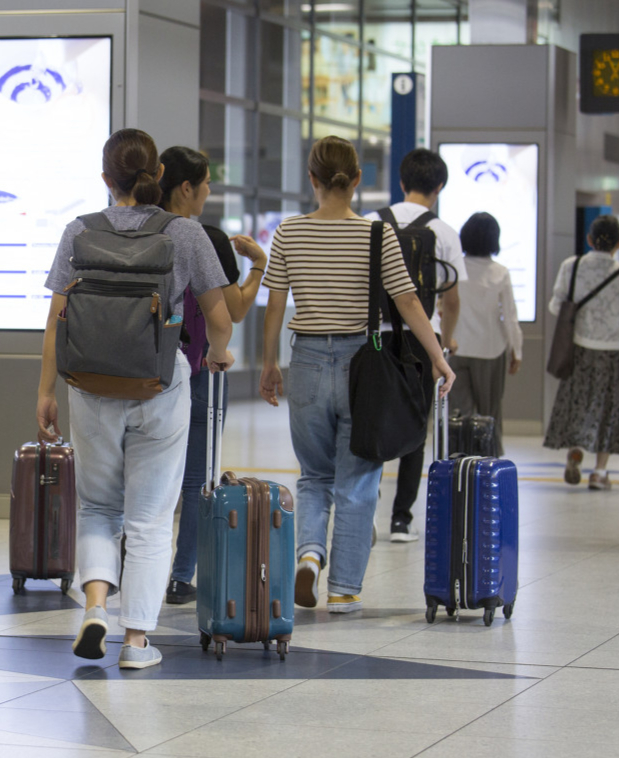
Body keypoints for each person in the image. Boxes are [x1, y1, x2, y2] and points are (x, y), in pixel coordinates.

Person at [36, 128, 235, 669]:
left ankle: (96, 607)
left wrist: (44, 390)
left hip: (91, 382)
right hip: (159, 380)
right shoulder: (186, 234)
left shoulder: (79, 230)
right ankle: (137, 642)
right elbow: (219, 318)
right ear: (160, 176)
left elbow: (57, 318)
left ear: (106, 179)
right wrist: (219, 353)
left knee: (98, 506)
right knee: (149, 516)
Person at [259, 136, 455, 615]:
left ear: (312, 179)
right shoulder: (375, 235)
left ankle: (309, 554)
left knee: (313, 477)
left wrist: (268, 363)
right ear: (357, 180)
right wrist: (438, 357)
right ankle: (344, 589)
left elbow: (277, 304)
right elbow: (408, 302)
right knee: (359, 477)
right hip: (362, 367)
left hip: (305, 361)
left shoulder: (289, 232)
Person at [155, 145, 266, 605]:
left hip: (143, 374)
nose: (207, 194)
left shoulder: (139, 229)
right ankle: (182, 576)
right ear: (187, 188)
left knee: (148, 476)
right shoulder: (208, 239)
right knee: (195, 480)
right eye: (204, 186)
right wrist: (259, 265)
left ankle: (133, 565)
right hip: (197, 373)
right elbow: (233, 311)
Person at [364, 149, 466, 543]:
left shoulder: (373, 221)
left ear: (402, 183)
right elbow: (452, 299)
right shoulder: (445, 232)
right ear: (439, 187)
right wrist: (445, 339)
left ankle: (366, 510)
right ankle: (401, 519)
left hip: (377, 335)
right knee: (415, 425)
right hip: (424, 339)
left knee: (370, 420)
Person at [544, 215, 619, 491]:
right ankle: (600, 472)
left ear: (589, 239)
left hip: (579, 350)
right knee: (609, 410)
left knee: (578, 404)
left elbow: (556, 306)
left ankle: (575, 450)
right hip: (613, 354)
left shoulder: (571, 266)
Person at [448, 212, 523, 456]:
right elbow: (510, 316)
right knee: (490, 413)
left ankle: (461, 461)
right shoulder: (500, 272)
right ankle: (490, 461)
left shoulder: (454, 268)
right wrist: (516, 350)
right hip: (491, 351)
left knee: (459, 414)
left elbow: (444, 307)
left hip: (457, 348)